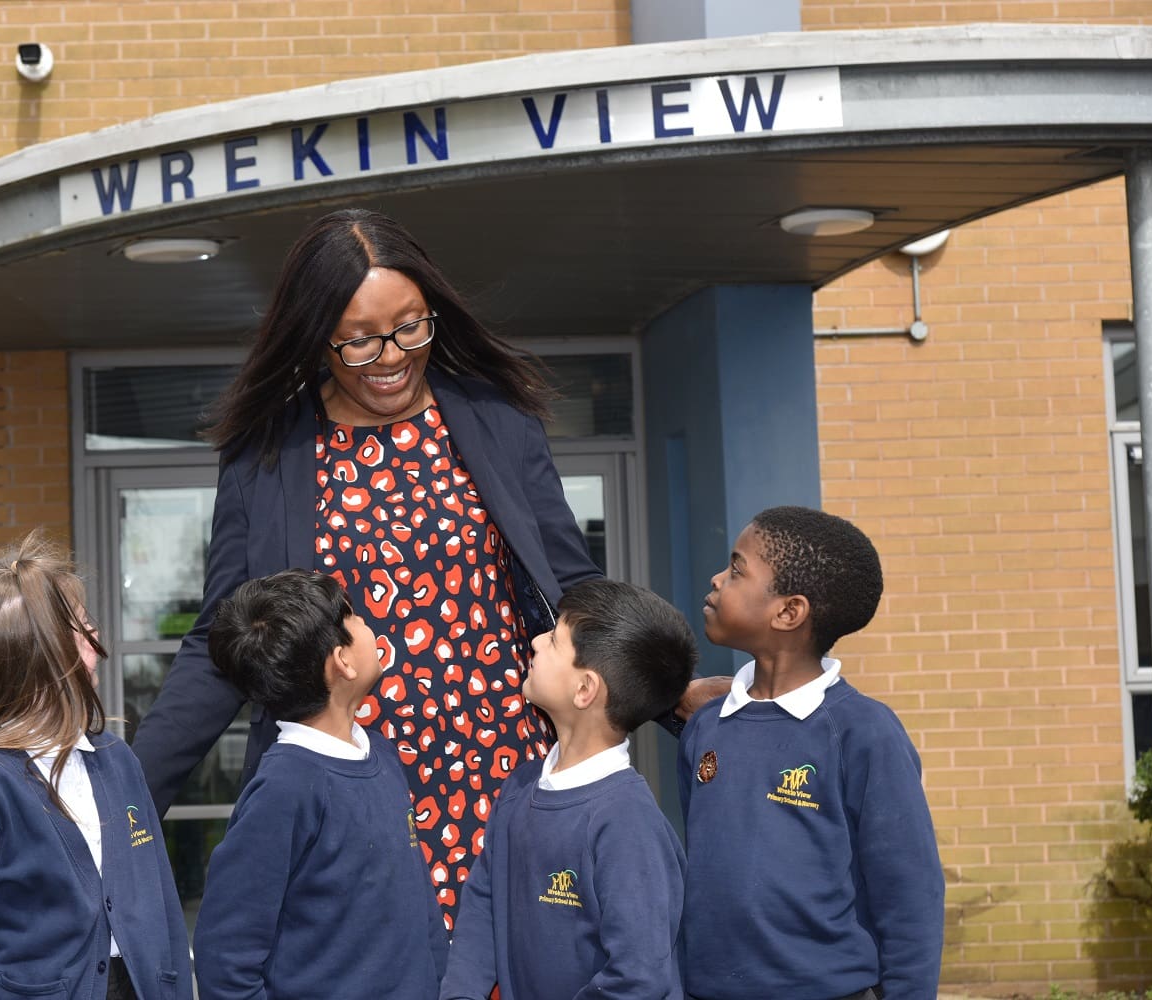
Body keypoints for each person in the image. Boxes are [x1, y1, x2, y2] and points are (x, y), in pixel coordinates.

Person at [131, 206, 728, 926]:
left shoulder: (493, 417)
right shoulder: (267, 453)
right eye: (359, 342)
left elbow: (573, 589)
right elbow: (223, 637)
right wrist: (126, 794)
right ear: (315, 338)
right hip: (353, 790)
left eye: (410, 326)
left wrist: (669, 696)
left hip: (502, 771)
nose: (390, 356)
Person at [0, 530, 193, 1000]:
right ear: (38, 659)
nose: (96, 636)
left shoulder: (117, 761)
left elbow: (163, 907)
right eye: (81, 627)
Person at [680, 506, 945, 1000]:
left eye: (737, 570)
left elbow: (909, 893)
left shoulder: (863, 732)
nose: (717, 579)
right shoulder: (704, 728)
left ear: (788, 611)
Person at [192, 570, 448, 999]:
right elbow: (226, 954)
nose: (366, 624)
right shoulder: (285, 787)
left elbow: (418, 905)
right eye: (352, 619)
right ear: (341, 662)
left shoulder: (380, 754)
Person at [441, 579, 696, 1000]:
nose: (538, 640)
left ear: (584, 690)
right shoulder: (521, 787)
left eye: (555, 640)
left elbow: (638, 977)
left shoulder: (627, 824)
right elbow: (484, 903)